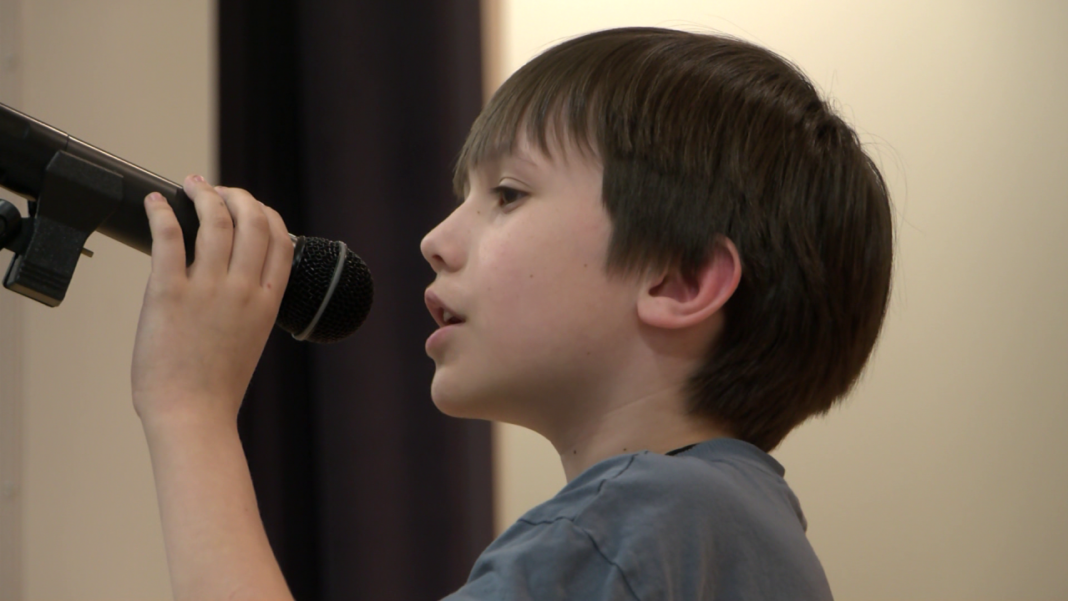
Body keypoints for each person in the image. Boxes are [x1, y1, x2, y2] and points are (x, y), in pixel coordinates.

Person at [133, 27, 893, 600]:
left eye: (507, 194)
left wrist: (189, 408)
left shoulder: (641, 523)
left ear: (679, 278)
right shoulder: (743, 532)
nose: (435, 240)